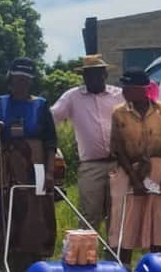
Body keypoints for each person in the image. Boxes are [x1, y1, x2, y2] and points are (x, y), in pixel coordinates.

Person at [0, 58, 57, 272]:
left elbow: (50, 142)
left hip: (35, 166)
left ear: (30, 82)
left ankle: (36, 264)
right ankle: (13, 266)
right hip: (10, 167)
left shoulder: (41, 105)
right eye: (18, 79)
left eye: (25, 80)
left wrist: (49, 172)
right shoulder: (1, 103)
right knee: (11, 210)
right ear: (11, 79)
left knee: (36, 212)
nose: (21, 84)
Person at [109, 69, 161, 267]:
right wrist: (135, 179)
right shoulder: (119, 113)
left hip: (160, 170)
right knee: (125, 224)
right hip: (130, 169)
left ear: (142, 90)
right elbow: (118, 149)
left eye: (128, 88)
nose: (124, 91)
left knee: (159, 223)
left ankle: (157, 269)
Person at [51, 54, 123, 231]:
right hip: (91, 166)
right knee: (89, 216)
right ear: (83, 77)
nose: (92, 78)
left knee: (117, 216)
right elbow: (50, 118)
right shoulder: (72, 97)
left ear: (105, 74)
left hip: (119, 164)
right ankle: (86, 257)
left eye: (97, 73)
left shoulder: (119, 95)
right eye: (88, 74)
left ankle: (117, 258)